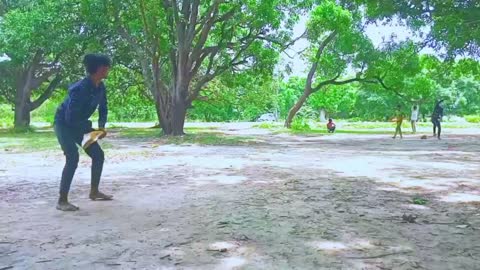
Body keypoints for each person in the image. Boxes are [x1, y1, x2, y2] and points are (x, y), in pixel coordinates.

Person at [54, 54, 113, 211]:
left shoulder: (100, 87)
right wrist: (91, 131)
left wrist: (101, 127)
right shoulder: (79, 89)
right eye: (107, 67)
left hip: (79, 125)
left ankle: (94, 192)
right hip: (64, 125)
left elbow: (103, 108)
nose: (109, 70)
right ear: (101, 69)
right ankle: (62, 201)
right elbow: (70, 118)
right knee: (72, 157)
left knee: (98, 155)